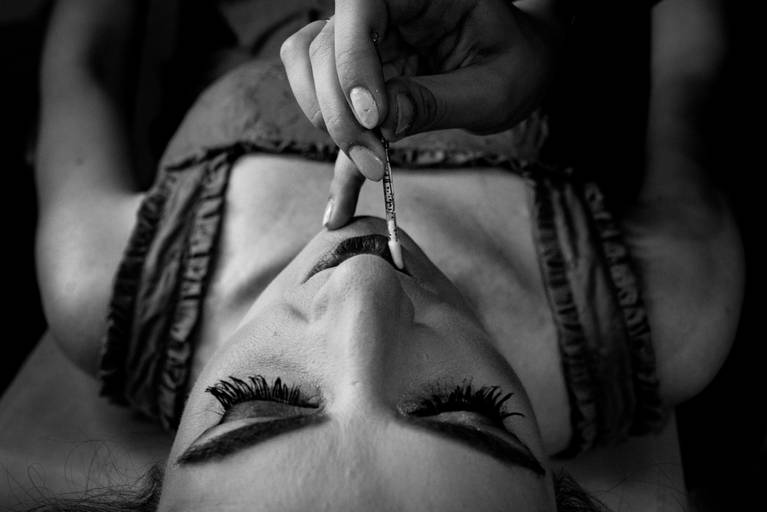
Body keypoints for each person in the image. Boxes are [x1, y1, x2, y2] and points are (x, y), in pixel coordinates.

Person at [11, 0, 740, 510]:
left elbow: (86, 60)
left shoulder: (110, 291)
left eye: (259, 402)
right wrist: (548, 25)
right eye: (466, 411)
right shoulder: (660, 323)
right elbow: (692, 66)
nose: (364, 287)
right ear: (566, 490)